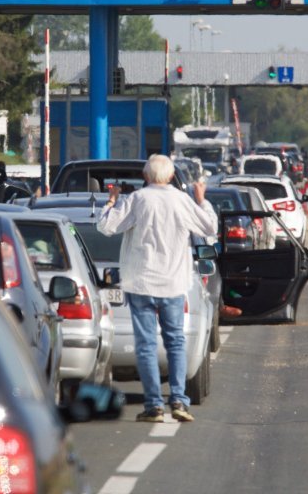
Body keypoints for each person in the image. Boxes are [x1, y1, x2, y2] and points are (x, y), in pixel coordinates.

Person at [97, 154, 217, 423]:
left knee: (146, 345)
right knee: (175, 341)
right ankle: (178, 399)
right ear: (171, 175)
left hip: (141, 283)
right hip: (174, 283)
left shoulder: (137, 199)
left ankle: (153, 406)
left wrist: (112, 200)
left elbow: (106, 226)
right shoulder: (181, 200)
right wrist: (202, 199)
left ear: (146, 176)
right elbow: (210, 227)